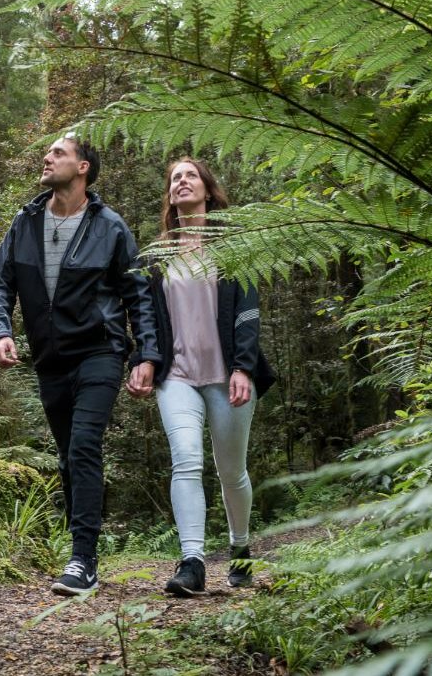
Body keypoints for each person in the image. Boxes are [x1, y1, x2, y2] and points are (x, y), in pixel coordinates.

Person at [0, 135, 161, 596]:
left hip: (99, 352)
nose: (46, 158)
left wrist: (145, 355)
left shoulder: (110, 227)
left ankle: (83, 559)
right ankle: (81, 551)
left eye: (58, 153)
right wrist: (1, 331)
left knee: (84, 446)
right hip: (49, 359)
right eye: (48, 153)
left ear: (83, 167)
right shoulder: (24, 222)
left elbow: (138, 296)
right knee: (68, 455)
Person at [136, 157, 276, 596]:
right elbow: (145, 318)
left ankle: (239, 547)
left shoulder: (234, 247)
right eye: (175, 178)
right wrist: (144, 358)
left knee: (231, 472)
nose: (181, 182)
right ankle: (192, 562)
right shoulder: (156, 256)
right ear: (169, 193)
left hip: (227, 374)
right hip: (176, 376)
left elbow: (249, 314)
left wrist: (243, 367)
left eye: (190, 175)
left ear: (208, 189)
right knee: (186, 460)